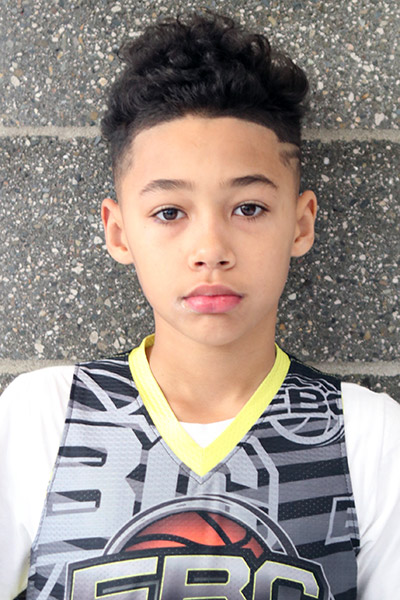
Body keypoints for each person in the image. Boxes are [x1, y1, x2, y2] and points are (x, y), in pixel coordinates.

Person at [0, 10, 399, 600]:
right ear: (119, 233)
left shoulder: (368, 435)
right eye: (169, 212)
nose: (210, 249)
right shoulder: (45, 417)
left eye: (248, 208)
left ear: (301, 223)